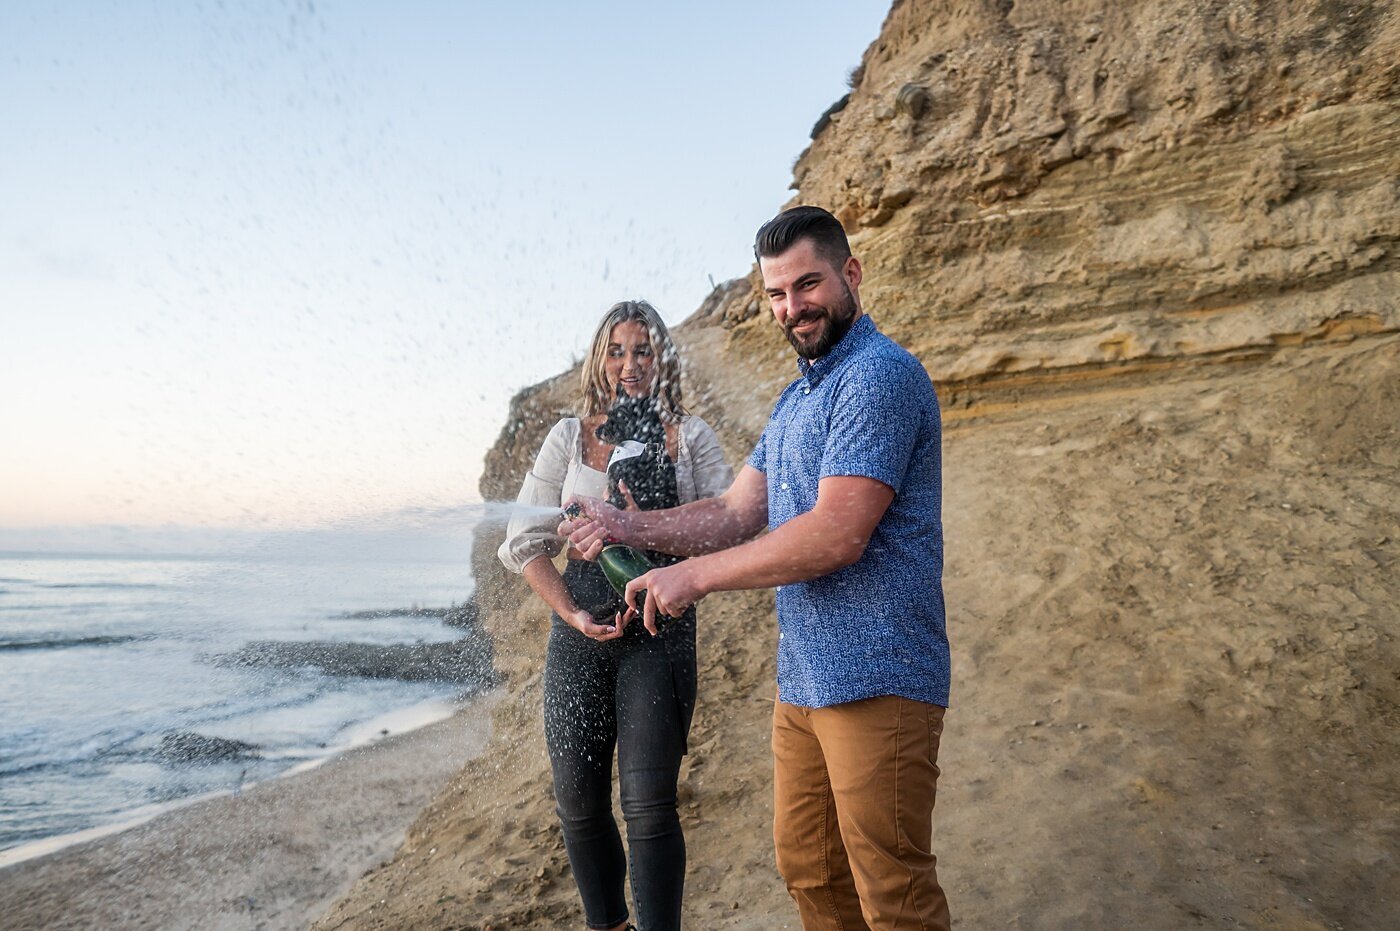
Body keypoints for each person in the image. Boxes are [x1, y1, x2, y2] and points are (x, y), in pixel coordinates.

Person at [563, 206, 952, 930]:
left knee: (891, 890)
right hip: (804, 681)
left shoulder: (878, 377)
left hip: (880, 675)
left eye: (807, 284)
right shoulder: (797, 396)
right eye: (777, 293)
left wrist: (695, 576)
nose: (792, 307)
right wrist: (628, 525)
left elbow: (838, 532)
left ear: (850, 274)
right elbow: (738, 512)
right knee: (810, 869)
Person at [497, 299, 733, 931]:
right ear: (599, 359)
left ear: (665, 358)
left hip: (660, 631)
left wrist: (642, 525)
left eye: (645, 350)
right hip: (579, 636)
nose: (631, 365)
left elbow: (725, 530)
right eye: (617, 350)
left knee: (649, 806)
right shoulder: (568, 438)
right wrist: (570, 610)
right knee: (577, 803)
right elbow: (523, 540)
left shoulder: (693, 439)